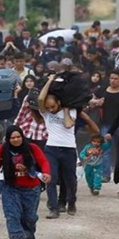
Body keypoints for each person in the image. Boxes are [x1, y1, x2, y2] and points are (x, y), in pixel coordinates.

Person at [0, 125, 51, 239]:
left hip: (31, 189)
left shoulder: (32, 148)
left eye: (18, 137)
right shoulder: (1, 150)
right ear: (8, 139)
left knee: (29, 216)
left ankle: (29, 231)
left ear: (22, 137)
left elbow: (43, 161)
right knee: (12, 214)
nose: (16, 140)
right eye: (12, 138)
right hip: (11, 187)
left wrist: (46, 173)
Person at [38, 74, 78, 218]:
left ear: (59, 103)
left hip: (68, 149)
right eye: (48, 107)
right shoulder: (46, 113)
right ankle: (53, 208)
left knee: (70, 180)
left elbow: (68, 124)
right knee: (51, 178)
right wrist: (49, 80)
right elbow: (41, 99)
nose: (51, 109)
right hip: (51, 149)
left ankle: (71, 201)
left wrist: (66, 109)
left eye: (53, 106)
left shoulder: (71, 111)